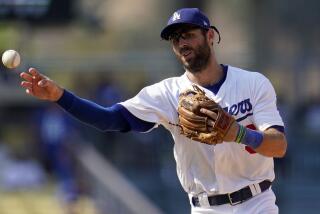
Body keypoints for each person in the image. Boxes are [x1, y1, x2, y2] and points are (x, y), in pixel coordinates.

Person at [19, 8, 287, 214]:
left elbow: (279, 146)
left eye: (189, 35)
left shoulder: (252, 83)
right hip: (206, 207)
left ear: (211, 36)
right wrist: (61, 97)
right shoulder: (166, 93)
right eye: (175, 38)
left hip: (257, 203)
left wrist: (239, 134)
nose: (182, 43)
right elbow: (110, 119)